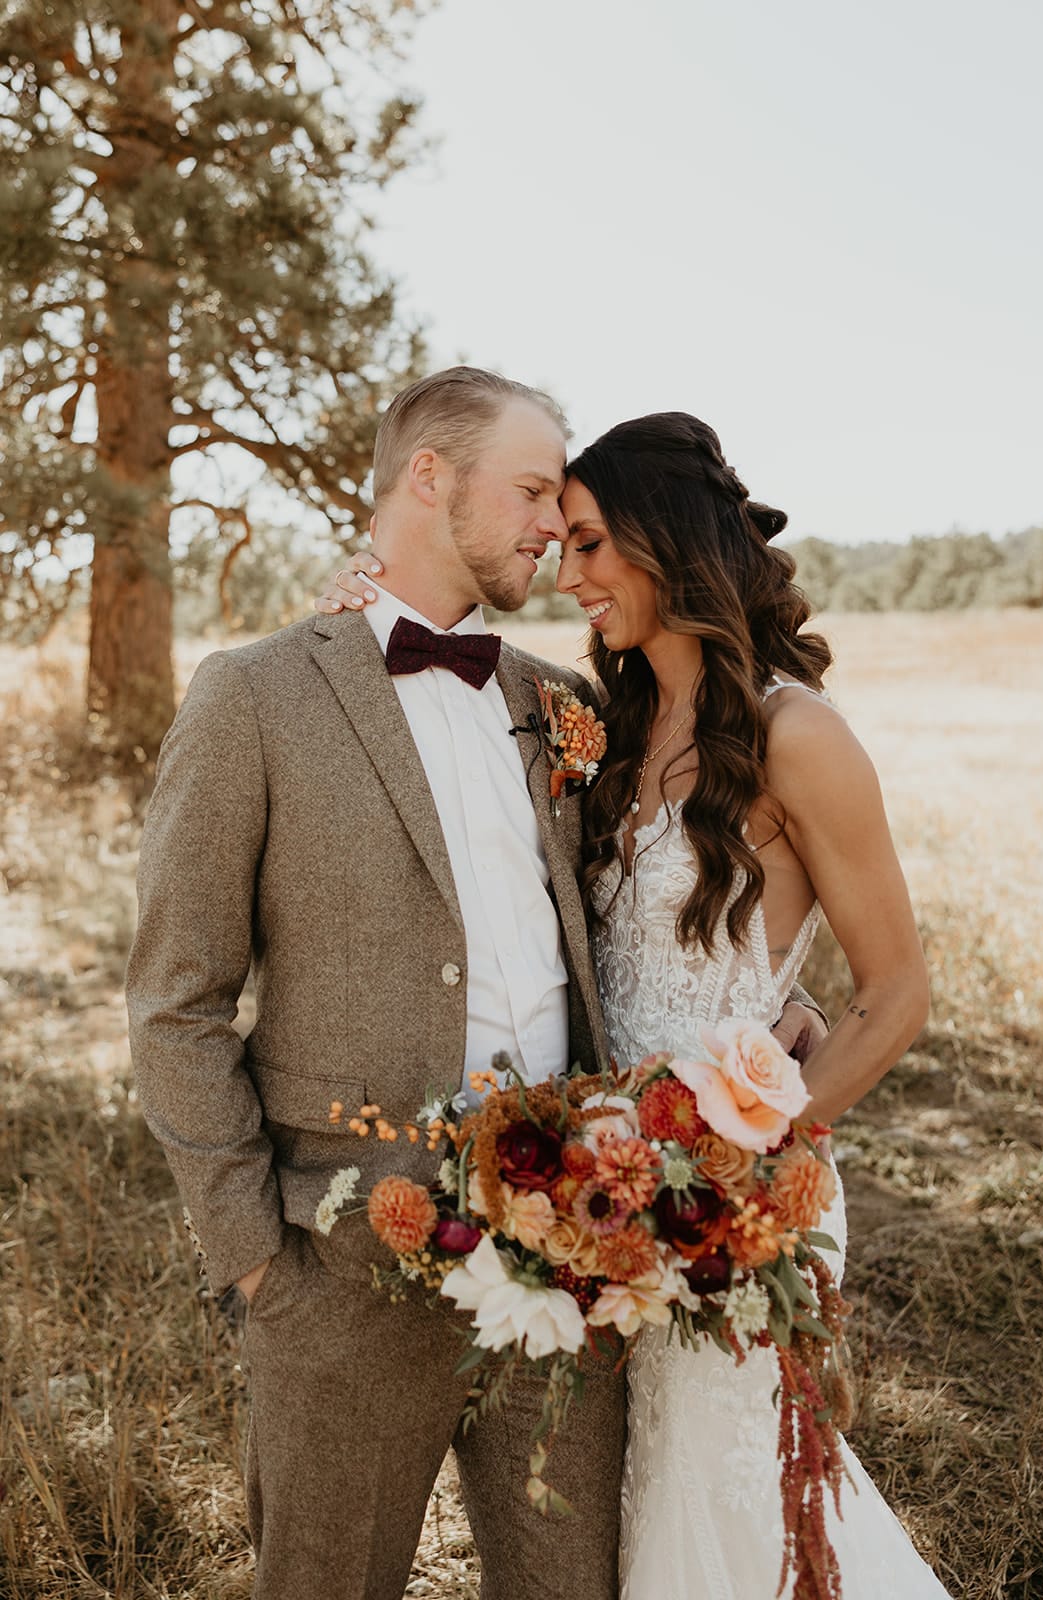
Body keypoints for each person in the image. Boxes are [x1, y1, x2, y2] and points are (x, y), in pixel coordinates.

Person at [127, 367, 823, 1600]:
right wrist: (255, 1265)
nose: (553, 526)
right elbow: (176, 1004)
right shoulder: (256, 695)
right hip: (341, 1268)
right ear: (428, 478)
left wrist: (777, 994)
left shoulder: (560, 706)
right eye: (532, 491)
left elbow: (696, 838)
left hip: (573, 1257)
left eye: (560, 503)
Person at [322, 410, 951, 1598]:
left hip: (729, 1208)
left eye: (594, 544)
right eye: (559, 543)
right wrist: (360, 603)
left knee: (742, 1503)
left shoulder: (795, 734)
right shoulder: (598, 728)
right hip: (608, 1201)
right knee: (644, 1512)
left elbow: (898, 992)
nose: (569, 574)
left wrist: (747, 1156)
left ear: (668, 542)